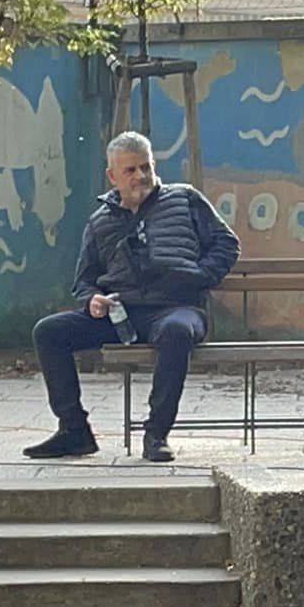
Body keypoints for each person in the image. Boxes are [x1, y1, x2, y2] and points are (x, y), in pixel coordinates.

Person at [26, 131, 240, 464]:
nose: (141, 176)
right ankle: (74, 431)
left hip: (177, 309)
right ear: (112, 176)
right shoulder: (100, 222)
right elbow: (84, 280)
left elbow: (226, 244)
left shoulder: (184, 199)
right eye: (130, 170)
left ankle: (156, 434)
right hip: (121, 314)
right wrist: (92, 299)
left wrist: (199, 277)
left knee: (176, 331)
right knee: (49, 331)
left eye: (146, 167)